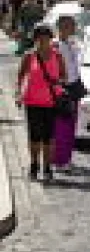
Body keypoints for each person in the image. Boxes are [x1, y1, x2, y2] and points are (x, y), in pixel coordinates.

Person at [16, 25, 66, 181]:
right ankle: (34, 165)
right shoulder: (29, 56)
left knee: (49, 138)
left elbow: (64, 77)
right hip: (32, 102)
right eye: (39, 38)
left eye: (46, 38)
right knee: (34, 137)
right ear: (35, 39)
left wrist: (57, 82)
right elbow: (21, 75)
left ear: (50, 39)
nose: (43, 41)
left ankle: (47, 167)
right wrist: (18, 93)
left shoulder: (57, 56)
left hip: (51, 102)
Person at [50, 15, 83, 174]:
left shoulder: (69, 44)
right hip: (64, 90)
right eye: (72, 25)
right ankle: (60, 161)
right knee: (62, 127)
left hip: (73, 88)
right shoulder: (55, 46)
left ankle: (66, 159)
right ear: (63, 27)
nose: (75, 28)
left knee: (70, 127)